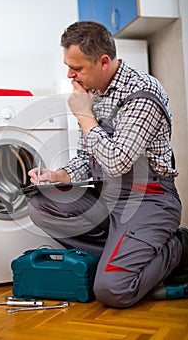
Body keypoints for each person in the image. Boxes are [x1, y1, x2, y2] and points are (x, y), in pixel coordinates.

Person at [28, 21, 188, 308]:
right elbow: (86, 160)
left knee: (112, 290)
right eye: (67, 65)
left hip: (149, 201)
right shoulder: (92, 94)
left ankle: (177, 246)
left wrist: (85, 117)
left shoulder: (143, 93)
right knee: (41, 205)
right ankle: (126, 253)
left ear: (103, 62)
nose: (69, 75)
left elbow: (116, 163)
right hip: (109, 198)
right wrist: (58, 175)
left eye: (76, 68)